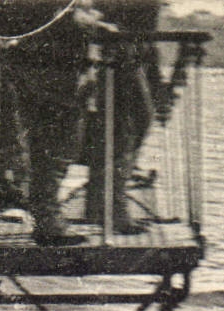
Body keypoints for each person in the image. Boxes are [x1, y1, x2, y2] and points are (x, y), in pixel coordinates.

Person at [0, 0, 102, 246]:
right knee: (57, 146)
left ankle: (46, 216)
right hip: (49, 67)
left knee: (52, 146)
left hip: (49, 63)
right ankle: (48, 220)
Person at [82, 0, 167, 235]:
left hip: (136, 52)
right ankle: (111, 208)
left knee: (131, 125)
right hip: (119, 53)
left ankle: (102, 206)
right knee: (123, 129)